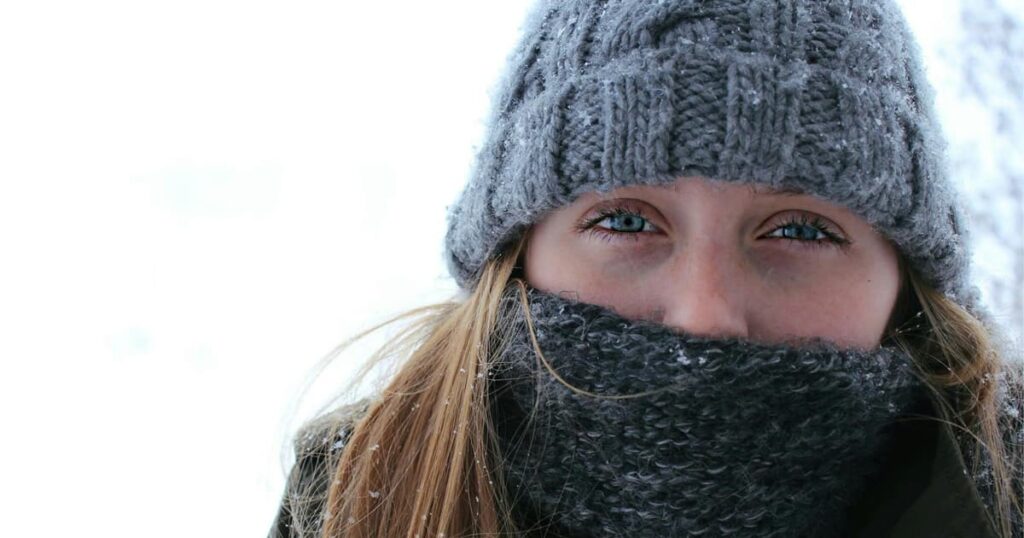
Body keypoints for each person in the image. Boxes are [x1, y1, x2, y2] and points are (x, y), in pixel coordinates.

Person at [269, 0, 1024, 536]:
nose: (705, 314)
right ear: (518, 253)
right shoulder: (357, 503)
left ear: (907, 278)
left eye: (800, 228)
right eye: (625, 220)